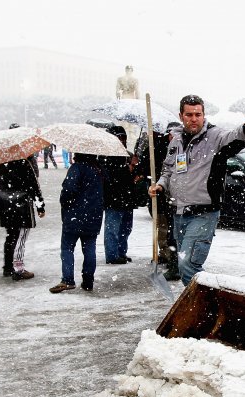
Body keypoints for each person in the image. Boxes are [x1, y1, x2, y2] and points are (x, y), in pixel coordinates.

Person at [149, 94, 245, 285]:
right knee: (182, 263)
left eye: (198, 114)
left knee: (188, 264)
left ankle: (204, 305)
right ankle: (199, 302)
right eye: (189, 114)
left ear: (204, 115)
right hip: (179, 212)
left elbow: (233, 136)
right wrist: (160, 184)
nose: (194, 119)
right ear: (181, 116)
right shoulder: (176, 141)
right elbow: (169, 169)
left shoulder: (214, 136)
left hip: (204, 212)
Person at [50, 153, 106, 293]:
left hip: (75, 215)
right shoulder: (98, 169)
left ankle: (68, 279)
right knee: (89, 248)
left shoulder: (77, 168)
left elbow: (69, 189)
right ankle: (88, 281)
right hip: (93, 215)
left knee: (67, 247)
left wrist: (65, 202)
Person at [0, 142, 45, 281]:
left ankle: (8, 267)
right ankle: (18, 268)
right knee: (21, 235)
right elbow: (33, 186)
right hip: (21, 204)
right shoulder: (23, 163)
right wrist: (40, 205)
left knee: (11, 235)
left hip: (5, 204)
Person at [136, 123, 180, 280]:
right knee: (163, 228)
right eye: (172, 134)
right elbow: (146, 165)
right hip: (161, 196)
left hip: (176, 198)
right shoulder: (157, 147)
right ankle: (165, 254)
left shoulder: (182, 148)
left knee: (173, 232)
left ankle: (174, 260)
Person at [102, 125, 136, 264]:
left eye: (123, 137)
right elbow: (111, 177)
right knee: (113, 228)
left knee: (126, 228)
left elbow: (131, 177)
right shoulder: (106, 156)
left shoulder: (127, 155)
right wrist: (128, 168)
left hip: (126, 197)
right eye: (119, 137)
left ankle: (121, 251)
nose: (122, 140)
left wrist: (133, 167)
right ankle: (112, 254)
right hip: (113, 198)